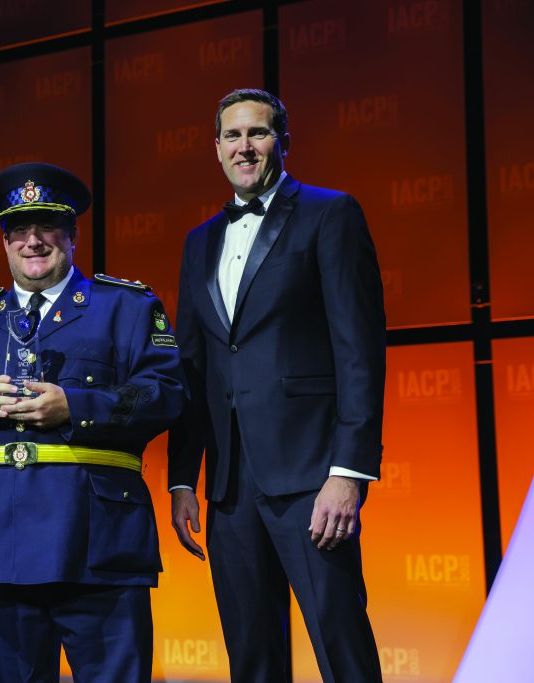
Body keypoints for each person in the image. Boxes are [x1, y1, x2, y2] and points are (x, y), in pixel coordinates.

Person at [0, 162, 184, 682]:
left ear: (73, 234)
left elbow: (168, 395)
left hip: (99, 546)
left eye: (47, 226)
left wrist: (76, 407)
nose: (33, 241)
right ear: (4, 240)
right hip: (0, 547)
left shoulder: (126, 307)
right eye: (19, 229)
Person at [168, 89, 385, 682]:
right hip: (229, 487)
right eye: (232, 136)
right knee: (252, 659)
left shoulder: (330, 214)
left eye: (257, 133)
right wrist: (184, 477)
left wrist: (348, 473)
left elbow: (359, 351)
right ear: (216, 149)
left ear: (282, 142)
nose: (244, 147)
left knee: (341, 646)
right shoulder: (198, 242)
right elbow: (192, 365)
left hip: (312, 479)